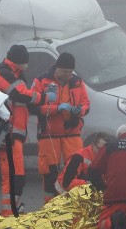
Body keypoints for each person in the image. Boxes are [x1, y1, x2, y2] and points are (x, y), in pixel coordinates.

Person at [0, 44, 53, 216]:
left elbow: (22, 100)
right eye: (26, 63)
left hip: (14, 133)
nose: (27, 66)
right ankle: (9, 213)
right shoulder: (4, 75)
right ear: (19, 62)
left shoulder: (12, 74)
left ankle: (11, 211)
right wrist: (45, 98)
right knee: (14, 176)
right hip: (8, 133)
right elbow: (22, 95)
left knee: (16, 176)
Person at [32, 52, 91, 204]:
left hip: (72, 133)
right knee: (49, 173)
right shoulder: (41, 81)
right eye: (65, 71)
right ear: (57, 68)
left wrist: (80, 110)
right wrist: (56, 109)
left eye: (71, 72)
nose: (68, 75)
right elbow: (33, 108)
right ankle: (50, 206)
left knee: (76, 171)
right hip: (49, 135)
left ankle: (74, 205)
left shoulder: (77, 82)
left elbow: (86, 104)